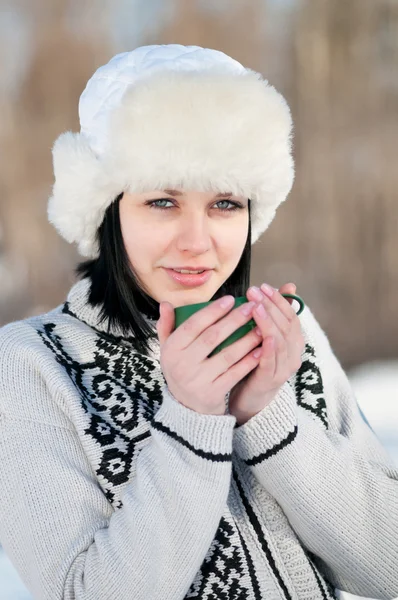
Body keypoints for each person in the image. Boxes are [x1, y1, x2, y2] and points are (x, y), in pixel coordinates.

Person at [0, 44, 397, 600]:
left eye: (226, 204)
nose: (197, 242)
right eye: (163, 202)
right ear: (106, 209)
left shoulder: (287, 335)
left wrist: (267, 416)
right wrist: (191, 420)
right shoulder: (30, 365)